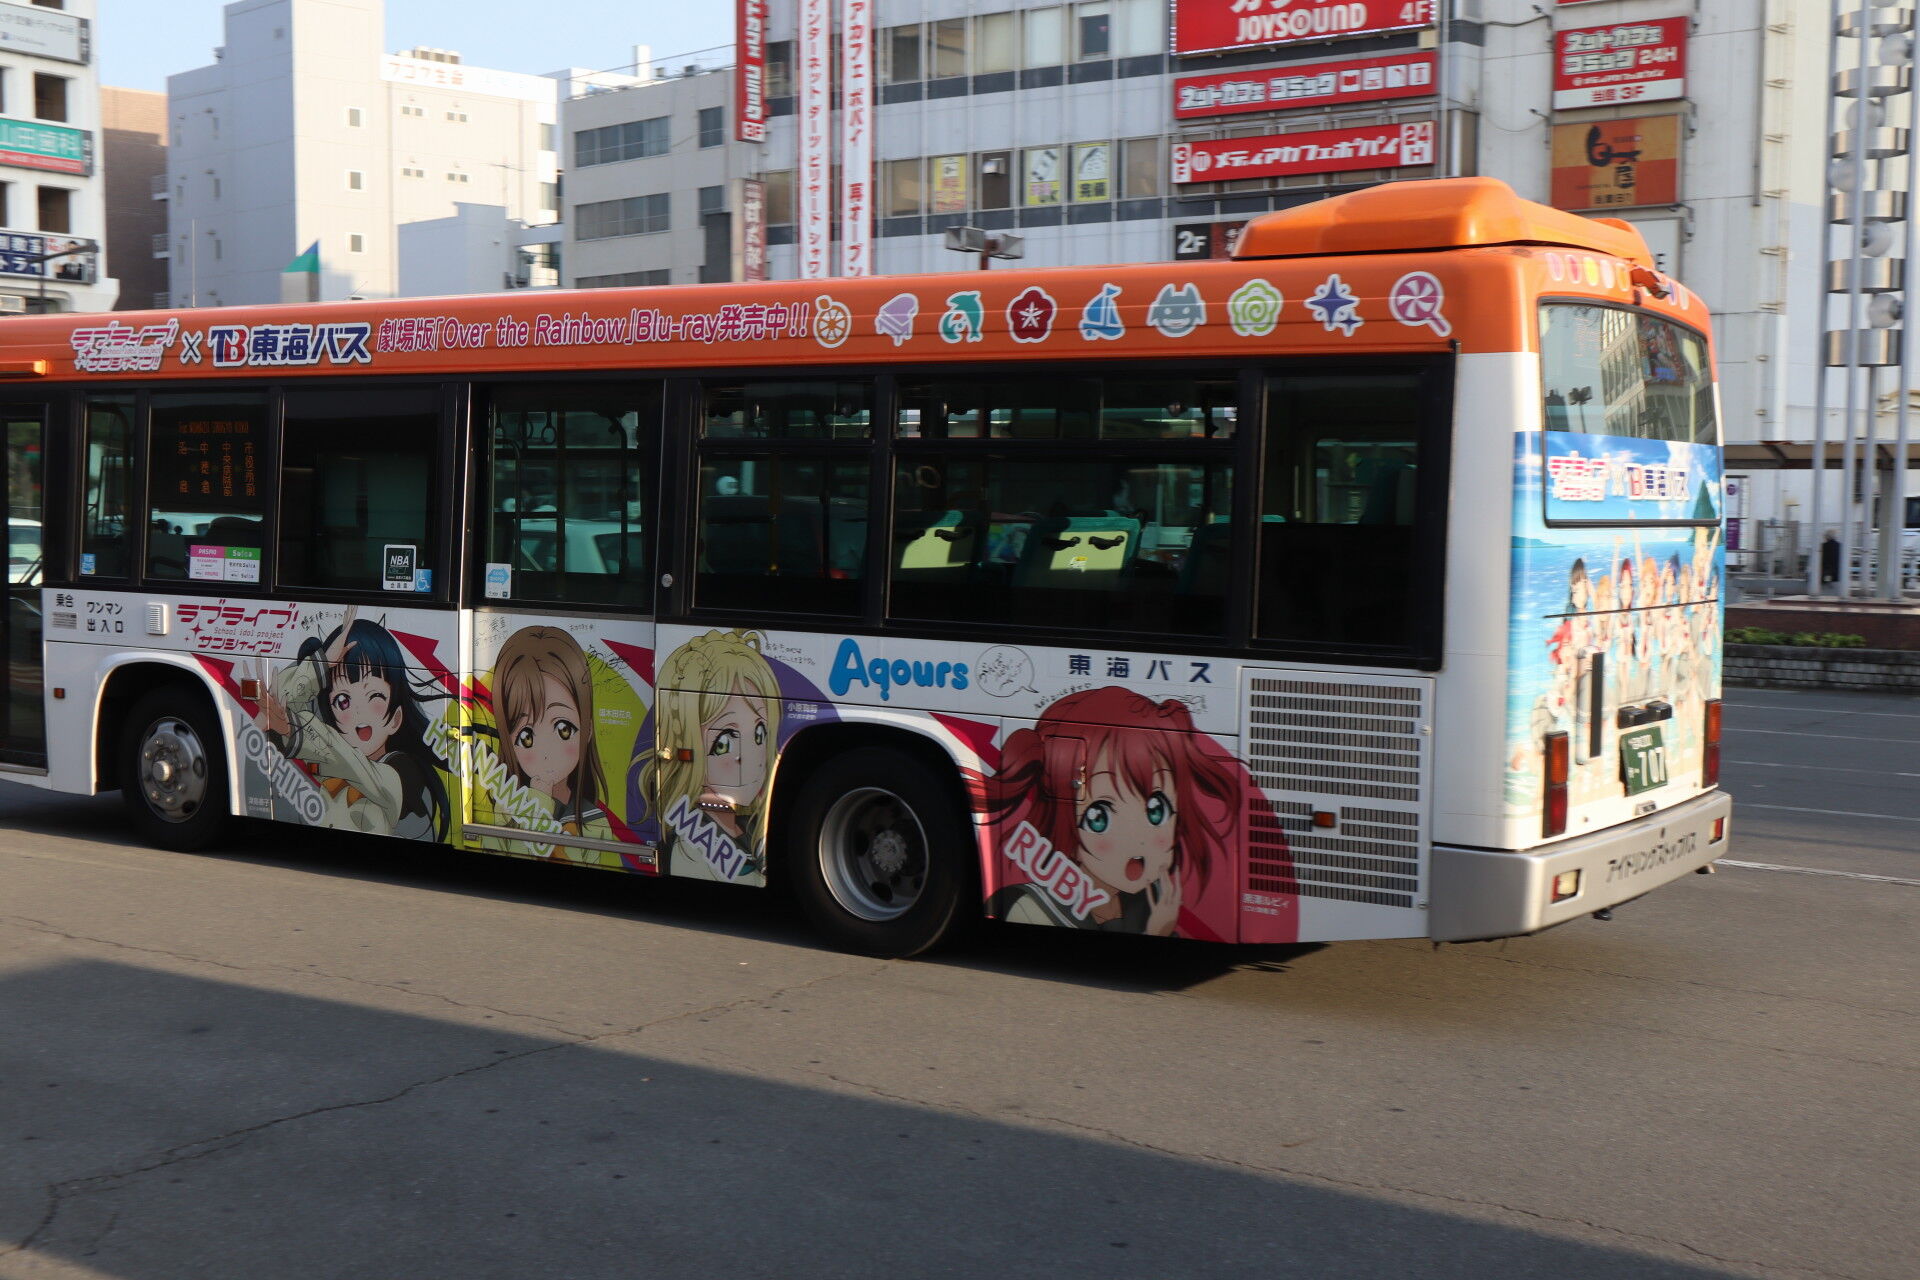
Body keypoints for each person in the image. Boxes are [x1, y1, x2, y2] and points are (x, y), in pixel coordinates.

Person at [976, 686, 1261, 938]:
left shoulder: (1149, 900)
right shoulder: (1032, 907)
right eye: (1100, 817)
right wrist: (1158, 933)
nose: (1139, 839)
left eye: (1156, 810)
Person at [255, 608, 448, 839]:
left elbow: (352, 764)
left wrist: (293, 728)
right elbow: (276, 708)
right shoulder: (330, 756)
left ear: (396, 719)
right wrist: (321, 664)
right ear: (330, 711)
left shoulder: (403, 773)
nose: (358, 712)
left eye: (374, 696)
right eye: (342, 700)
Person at [637, 629, 781, 882]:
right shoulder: (691, 843)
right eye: (724, 742)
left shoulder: (746, 828)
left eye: (759, 734)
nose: (751, 757)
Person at [490, 626, 614, 855]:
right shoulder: (507, 805)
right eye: (526, 737)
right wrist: (538, 800)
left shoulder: (593, 819)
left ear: (587, 730)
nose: (546, 753)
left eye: (563, 729)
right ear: (508, 741)